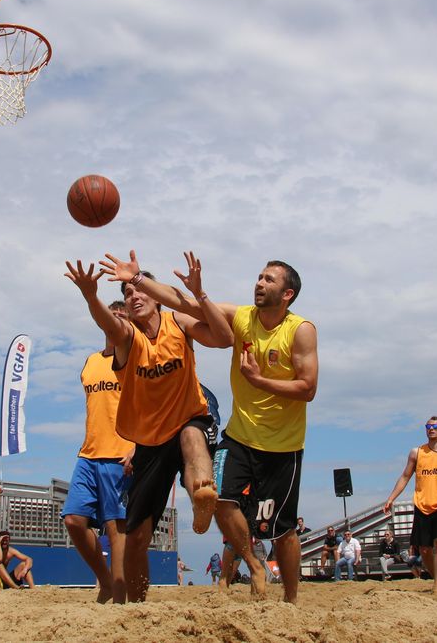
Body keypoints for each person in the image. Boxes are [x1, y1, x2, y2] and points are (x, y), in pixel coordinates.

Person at [102, 254, 318, 604]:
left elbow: (308, 388)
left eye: (269, 280)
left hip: (282, 443)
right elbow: (183, 302)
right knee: (219, 500)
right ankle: (252, 563)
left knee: (282, 530)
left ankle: (291, 601)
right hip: (238, 434)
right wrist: (139, 279)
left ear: (288, 294)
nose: (259, 283)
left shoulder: (301, 330)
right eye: (259, 276)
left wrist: (259, 380)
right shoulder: (243, 316)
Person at [65, 253, 232, 603]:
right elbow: (110, 326)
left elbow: (224, 337)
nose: (133, 296)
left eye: (138, 289)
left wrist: (199, 296)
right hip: (149, 440)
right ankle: (138, 607)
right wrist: (90, 295)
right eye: (127, 293)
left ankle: (201, 491)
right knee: (137, 538)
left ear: (156, 296)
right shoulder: (128, 337)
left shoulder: (179, 322)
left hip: (188, 417)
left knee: (191, 436)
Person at [62, 300, 134, 604]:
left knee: (116, 528)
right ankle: (105, 580)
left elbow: (146, 406)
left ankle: (119, 600)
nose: (115, 319)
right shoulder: (90, 362)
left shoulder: (133, 359)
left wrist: (137, 447)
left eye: (122, 316)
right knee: (73, 521)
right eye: (111, 314)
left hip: (121, 453)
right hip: (88, 453)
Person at [382, 416, 437, 593]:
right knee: (424, 550)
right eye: (428, 426)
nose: (431, 429)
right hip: (422, 505)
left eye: (435, 426)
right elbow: (405, 476)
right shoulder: (417, 452)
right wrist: (391, 498)